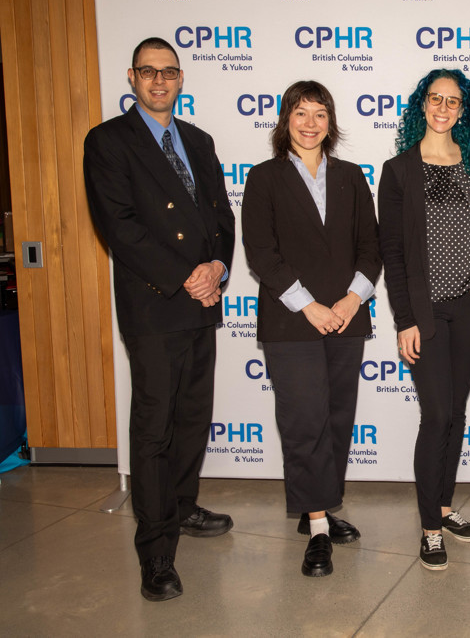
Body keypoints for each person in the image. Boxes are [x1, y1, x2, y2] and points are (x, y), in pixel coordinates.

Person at [83, 37, 235, 602]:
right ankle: (156, 550)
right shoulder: (107, 141)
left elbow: (221, 214)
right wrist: (186, 277)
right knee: (154, 429)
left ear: (180, 78)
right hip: (156, 303)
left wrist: (217, 266)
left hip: (202, 302)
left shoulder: (198, 139)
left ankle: (183, 506)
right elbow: (119, 227)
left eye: (169, 72)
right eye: (148, 72)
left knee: (194, 419)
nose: (159, 81)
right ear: (131, 77)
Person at [241, 81, 381, 578]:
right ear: (285, 120)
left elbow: (372, 247)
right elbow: (262, 254)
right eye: (300, 113)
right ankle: (318, 527)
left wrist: (348, 299)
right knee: (304, 422)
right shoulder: (263, 179)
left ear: (331, 122)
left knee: (338, 418)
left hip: (347, 317)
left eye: (320, 114)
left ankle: (321, 504)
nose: (310, 123)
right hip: (291, 322)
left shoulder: (351, 177)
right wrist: (310, 307)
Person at [378, 69, 470, 571]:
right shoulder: (399, 169)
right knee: (436, 415)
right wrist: (405, 318)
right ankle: (430, 527)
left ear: (463, 110)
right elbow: (392, 250)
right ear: (421, 105)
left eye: (453, 101)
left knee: (456, 411)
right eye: (436, 99)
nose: (443, 108)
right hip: (426, 313)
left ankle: (446, 506)